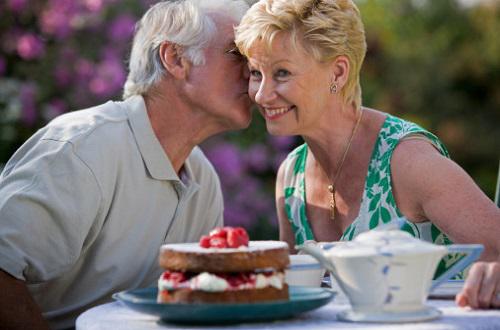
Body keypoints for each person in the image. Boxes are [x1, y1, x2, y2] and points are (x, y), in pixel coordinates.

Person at [0, 0, 251, 329]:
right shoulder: (82, 149)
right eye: (236, 54)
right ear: (175, 59)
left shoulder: (203, 178)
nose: (252, 71)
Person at [235, 0, 500, 309]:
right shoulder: (291, 175)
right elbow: (289, 293)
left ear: (338, 72)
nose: (263, 95)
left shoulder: (408, 161)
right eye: (256, 73)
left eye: (282, 73)